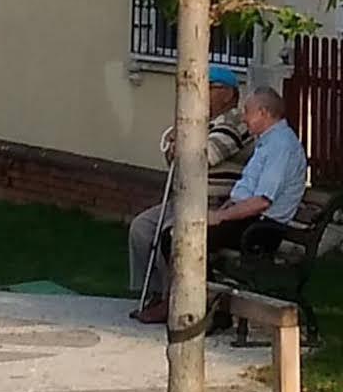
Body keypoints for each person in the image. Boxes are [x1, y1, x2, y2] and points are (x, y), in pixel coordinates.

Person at [129, 86, 307, 322]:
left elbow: (262, 201)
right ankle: (196, 304)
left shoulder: (280, 146)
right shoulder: (268, 142)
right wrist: (225, 210)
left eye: (248, 111)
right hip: (248, 220)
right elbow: (249, 192)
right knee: (177, 234)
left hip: (261, 228)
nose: (244, 117)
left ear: (264, 113)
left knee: (179, 236)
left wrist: (221, 217)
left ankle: (189, 303)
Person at [123, 76, 247, 305]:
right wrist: (176, 146)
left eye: (210, 88)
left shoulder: (236, 121)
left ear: (228, 94)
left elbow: (204, 156)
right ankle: (156, 293)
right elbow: (175, 159)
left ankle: (175, 298)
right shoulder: (200, 122)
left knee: (168, 234)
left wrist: (181, 143)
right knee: (141, 227)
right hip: (186, 200)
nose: (202, 94)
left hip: (214, 204)